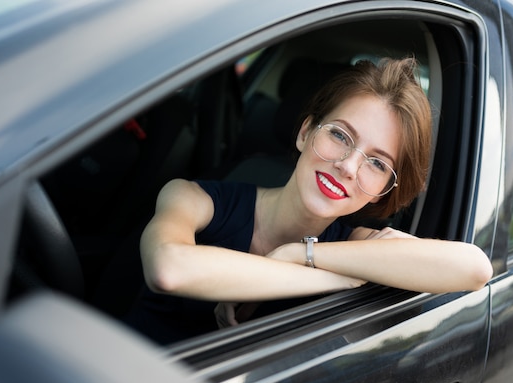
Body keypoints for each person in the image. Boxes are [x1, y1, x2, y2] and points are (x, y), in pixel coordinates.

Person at [127, 57, 493, 344]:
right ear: (305, 132)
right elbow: (169, 269)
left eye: (377, 163)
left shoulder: (355, 244)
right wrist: (340, 278)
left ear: (385, 187)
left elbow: (474, 267)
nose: (348, 166)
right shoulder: (192, 197)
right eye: (340, 135)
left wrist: (300, 254)